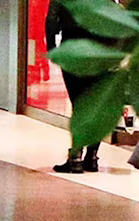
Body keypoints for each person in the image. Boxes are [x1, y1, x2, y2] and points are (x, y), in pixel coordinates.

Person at [51, 0, 115, 173]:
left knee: (78, 103)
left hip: (73, 47)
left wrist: (51, 46)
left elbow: (52, 18)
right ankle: (92, 157)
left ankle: (76, 158)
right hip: (100, 50)